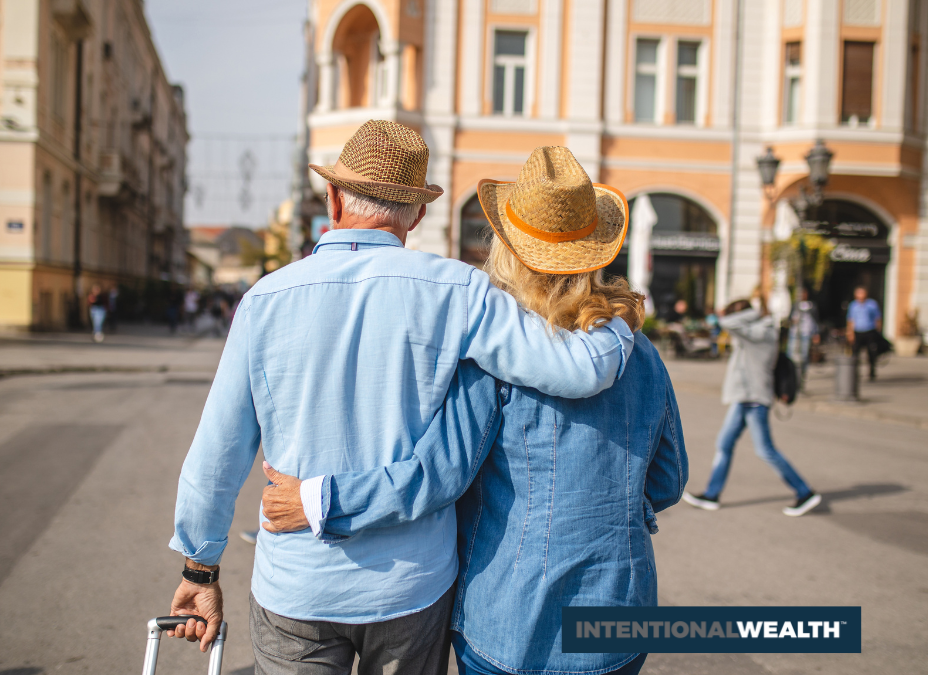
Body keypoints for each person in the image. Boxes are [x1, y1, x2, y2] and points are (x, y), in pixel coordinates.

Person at [165, 124, 634, 673]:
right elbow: (577, 371)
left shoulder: (264, 299)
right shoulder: (459, 290)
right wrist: (620, 320)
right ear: (416, 214)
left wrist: (201, 569)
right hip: (411, 585)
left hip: (298, 585)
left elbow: (216, 453)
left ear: (334, 198)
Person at [261, 146, 687, 675]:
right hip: (619, 611)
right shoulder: (637, 350)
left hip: (510, 616)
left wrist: (320, 500)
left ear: (506, 247)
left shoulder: (496, 355)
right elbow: (668, 480)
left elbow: (437, 477)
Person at [682, 297, 821, 517]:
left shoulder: (762, 333)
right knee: (724, 444)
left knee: (765, 450)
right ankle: (712, 494)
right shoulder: (752, 332)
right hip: (743, 398)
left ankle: (805, 492)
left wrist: (752, 312)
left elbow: (728, 322)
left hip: (754, 399)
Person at [846, 285, 882, 380]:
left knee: (871, 352)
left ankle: (872, 372)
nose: (860, 295)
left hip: (869, 330)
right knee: (855, 353)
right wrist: (850, 333)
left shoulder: (872, 304)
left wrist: (878, 331)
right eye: (858, 293)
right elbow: (850, 320)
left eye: (862, 293)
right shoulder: (853, 305)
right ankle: (854, 372)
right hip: (858, 331)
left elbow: (877, 318)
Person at [788, 288, 819, 382]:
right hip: (794, 334)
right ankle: (792, 376)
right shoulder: (795, 305)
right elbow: (789, 319)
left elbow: (816, 320)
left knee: (804, 356)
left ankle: (802, 375)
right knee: (791, 355)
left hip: (806, 334)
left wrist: (816, 334)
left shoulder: (811, 305)